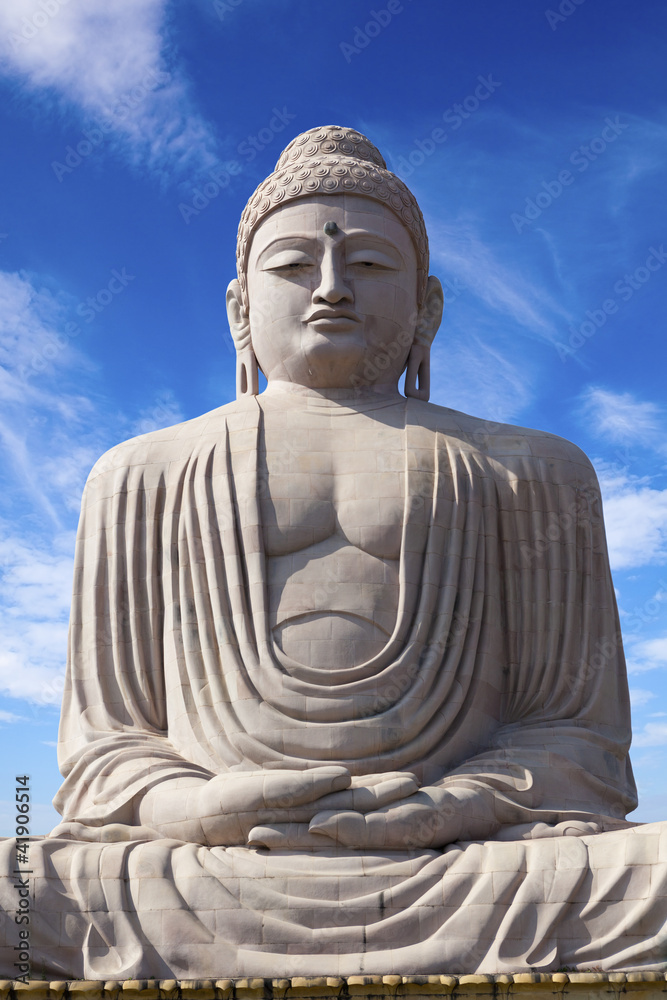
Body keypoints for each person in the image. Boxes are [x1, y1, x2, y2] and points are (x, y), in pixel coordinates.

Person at [1, 126, 665, 979]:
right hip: (205, 865)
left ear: (426, 307)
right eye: (291, 265)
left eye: (369, 264)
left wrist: (449, 807)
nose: (330, 287)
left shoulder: (530, 470)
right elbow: (106, 748)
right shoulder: (140, 475)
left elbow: (577, 739)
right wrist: (198, 807)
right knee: (21, 890)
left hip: (461, 865)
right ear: (240, 308)